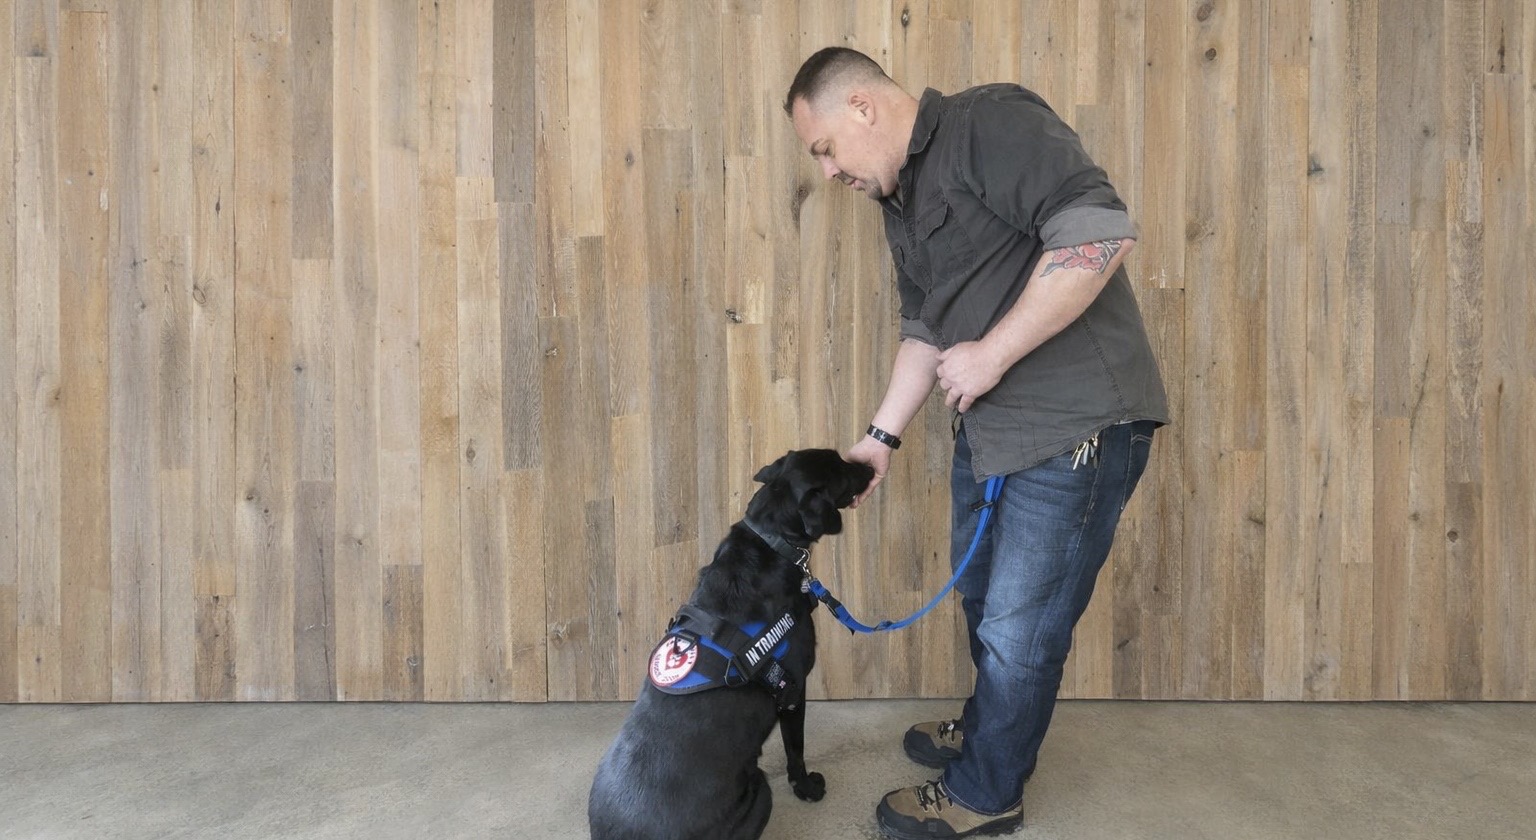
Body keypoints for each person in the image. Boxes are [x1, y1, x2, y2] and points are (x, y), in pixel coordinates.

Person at [784, 47, 1169, 839]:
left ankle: (987, 792)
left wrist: (992, 353)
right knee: (988, 601)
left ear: (862, 108)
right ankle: (991, 723)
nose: (826, 173)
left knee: (1020, 631)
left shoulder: (987, 123)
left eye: (823, 148)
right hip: (993, 432)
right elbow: (926, 328)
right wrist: (880, 437)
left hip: (1075, 428)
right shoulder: (900, 200)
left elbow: (1098, 233)